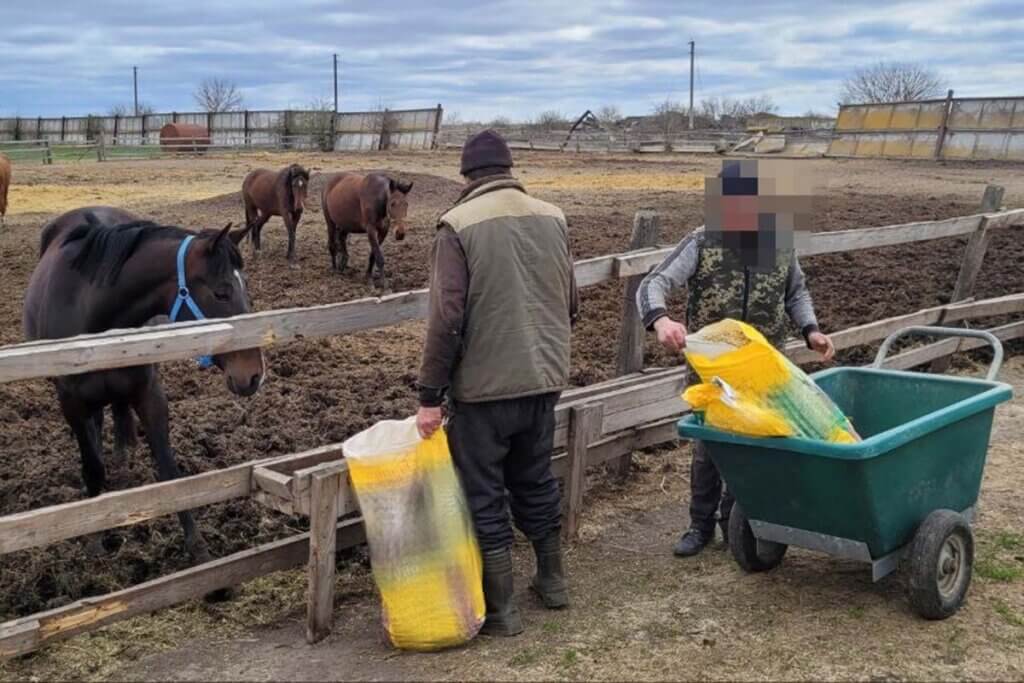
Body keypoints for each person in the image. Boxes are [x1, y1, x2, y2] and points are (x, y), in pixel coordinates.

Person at [415, 129, 579, 636]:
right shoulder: (554, 217)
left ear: (467, 175)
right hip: (543, 379)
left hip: (484, 389)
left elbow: (446, 317)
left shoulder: (457, 225)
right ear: (509, 169)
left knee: (484, 491)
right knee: (534, 477)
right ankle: (552, 582)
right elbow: (570, 301)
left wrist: (429, 394)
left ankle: (503, 610)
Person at [636, 159, 835, 558]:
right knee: (711, 445)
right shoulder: (702, 242)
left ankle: (740, 519)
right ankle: (700, 524)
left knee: (761, 439)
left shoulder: (779, 242)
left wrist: (810, 329)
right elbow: (653, 283)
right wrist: (661, 321)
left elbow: (796, 292)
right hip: (714, 365)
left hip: (765, 365)